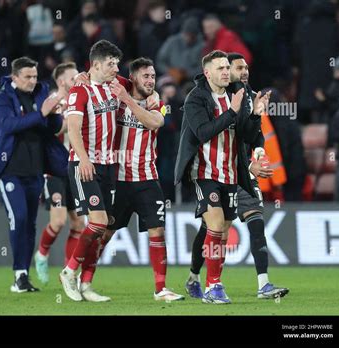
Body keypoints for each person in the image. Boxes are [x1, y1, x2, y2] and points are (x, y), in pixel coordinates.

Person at [72, 57, 185, 301]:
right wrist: (81, 76)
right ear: (132, 78)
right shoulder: (116, 88)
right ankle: (85, 282)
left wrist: (127, 100)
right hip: (118, 180)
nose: (150, 81)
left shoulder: (156, 102)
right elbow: (95, 76)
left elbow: (156, 122)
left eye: (153, 76)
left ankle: (160, 289)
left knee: (157, 230)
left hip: (147, 179)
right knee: (104, 234)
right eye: (145, 76)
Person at [185, 53, 289, 300]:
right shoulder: (201, 98)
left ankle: (260, 284)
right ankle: (201, 280)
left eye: (246, 67)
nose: (245, 72)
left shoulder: (248, 96)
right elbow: (202, 132)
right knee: (214, 228)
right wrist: (233, 112)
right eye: (237, 67)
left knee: (245, 222)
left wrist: (257, 140)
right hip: (208, 171)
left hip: (239, 171)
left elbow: (251, 135)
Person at [59, 40, 130, 302]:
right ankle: (69, 271)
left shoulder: (115, 86)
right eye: (111, 63)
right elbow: (74, 129)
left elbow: (141, 83)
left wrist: (155, 94)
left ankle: (87, 283)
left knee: (106, 227)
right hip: (83, 164)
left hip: (109, 165)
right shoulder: (80, 91)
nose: (116, 68)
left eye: (117, 63)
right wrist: (84, 159)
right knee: (97, 222)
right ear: (96, 65)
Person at [0, 57, 65, 293]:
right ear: (15, 78)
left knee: (30, 223)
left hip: (36, 171)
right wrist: (42, 112)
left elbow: (51, 128)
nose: (33, 81)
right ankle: (18, 274)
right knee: (19, 217)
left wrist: (52, 114)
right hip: (9, 171)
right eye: (28, 77)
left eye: (35, 76)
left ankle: (24, 276)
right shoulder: (1, 99)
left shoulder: (40, 93)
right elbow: (8, 126)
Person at [34, 62, 86, 285]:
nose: (78, 78)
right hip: (55, 171)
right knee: (58, 221)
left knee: (78, 224)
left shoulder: (82, 98)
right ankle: (42, 254)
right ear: (62, 81)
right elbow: (56, 128)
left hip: (75, 170)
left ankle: (68, 272)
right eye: (73, 76)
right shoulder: (53, 101)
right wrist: (72, 118)